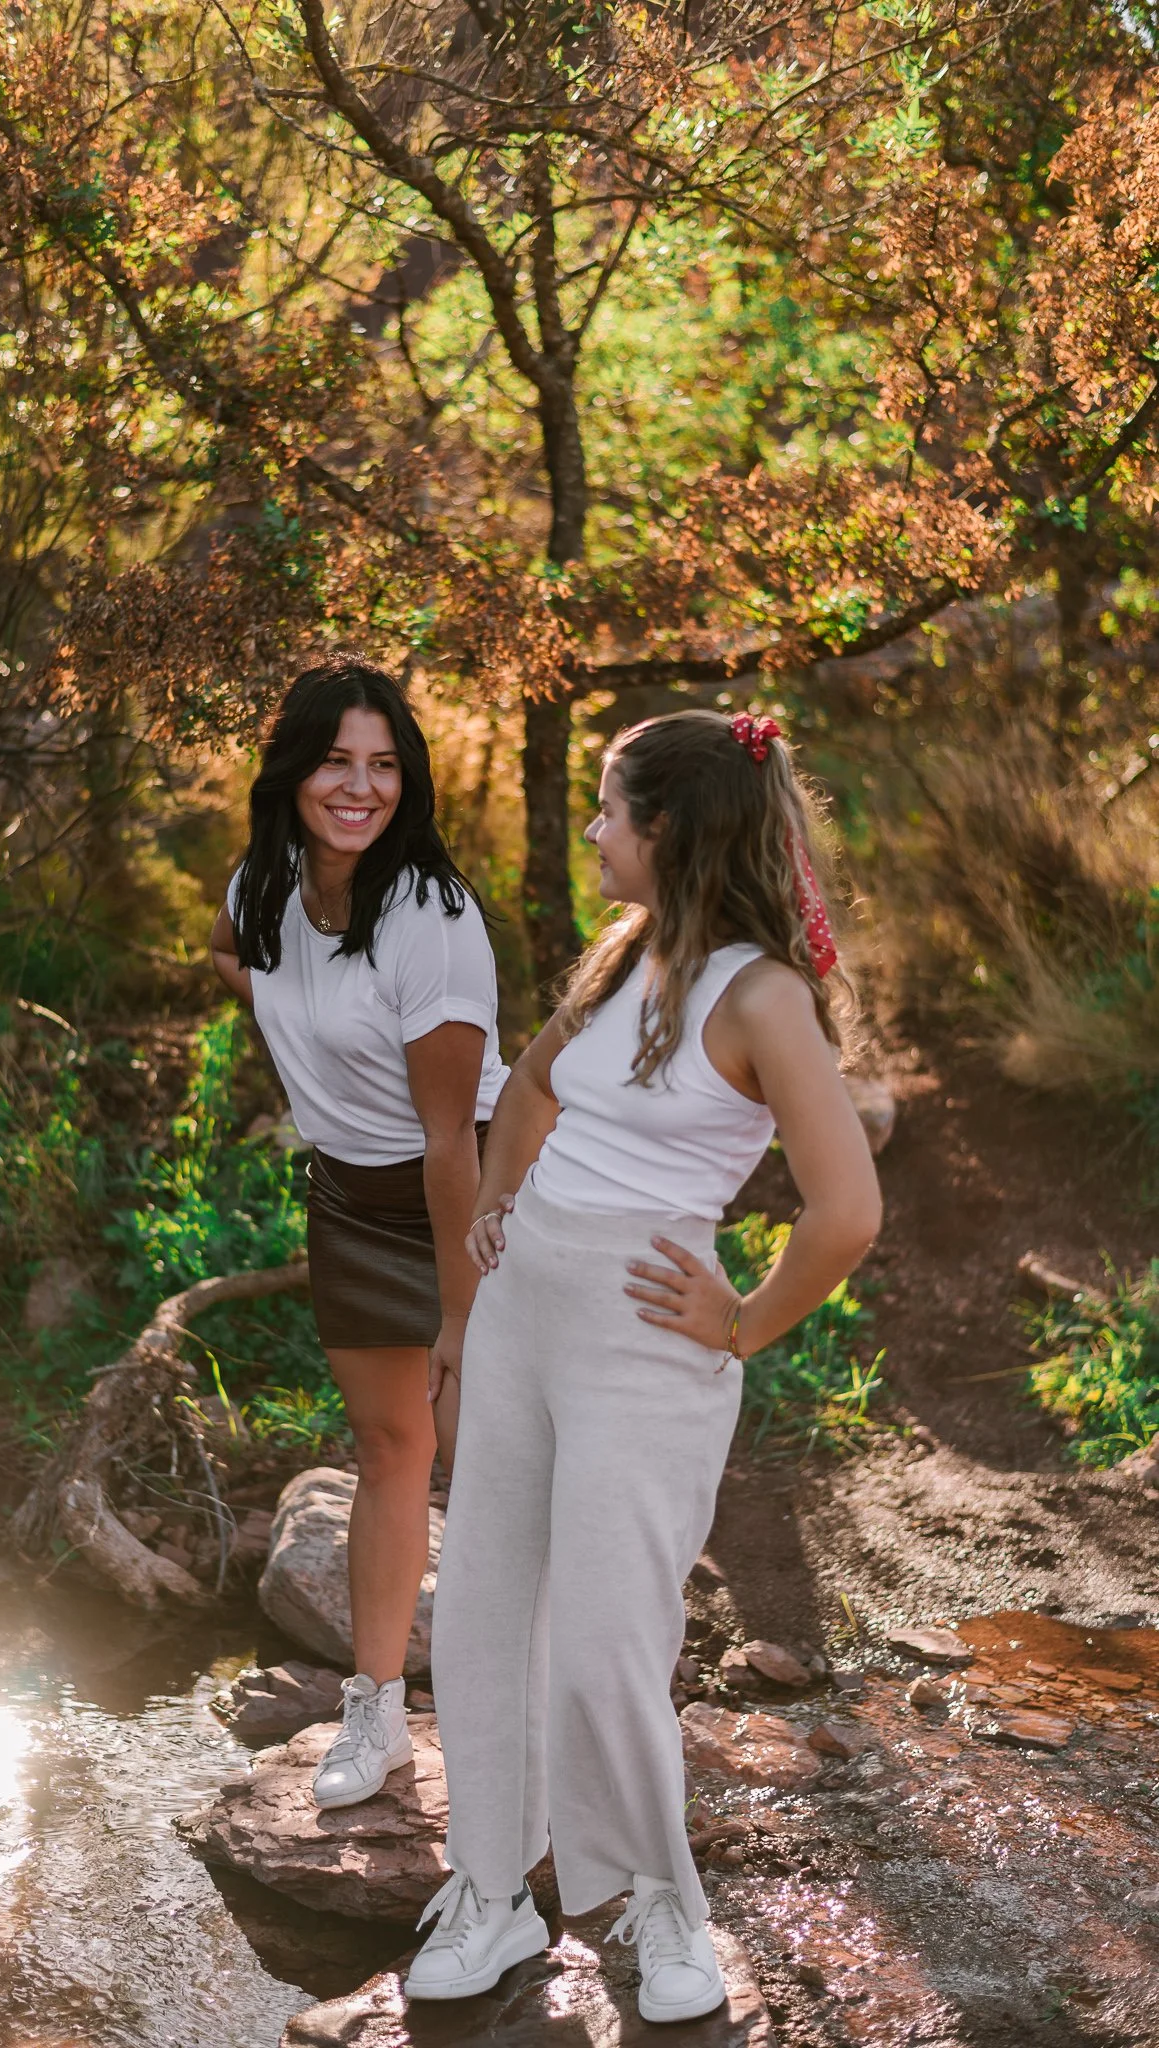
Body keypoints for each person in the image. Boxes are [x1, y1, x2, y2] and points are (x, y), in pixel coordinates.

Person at [405, 709, 882, 2020]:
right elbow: (538, 1079)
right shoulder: (628, 956)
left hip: (640, 1344)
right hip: (522, 1321)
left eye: (608, 810)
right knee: (489, 1609)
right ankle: (492, 1894)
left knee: (609, 1642)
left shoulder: (760, 996)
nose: (594, 831)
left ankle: (661, 1904)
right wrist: (499, 1206)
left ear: (664, 829)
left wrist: (738, 1323)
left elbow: (843, 1212)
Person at [209, 656, 507, 1813]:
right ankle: (374, 1714)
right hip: (345, 1199)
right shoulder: (262, 886)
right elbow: (232, 952)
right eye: (337, 759)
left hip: (465, 1205)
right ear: (294, 767)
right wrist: (297, 1036)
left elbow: (451, 1143)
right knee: (388, 1454)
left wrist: (464, 1316)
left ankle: (511, 1719)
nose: (361, 786)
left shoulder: (432, 919)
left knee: (484, 1468)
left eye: (384, 765)